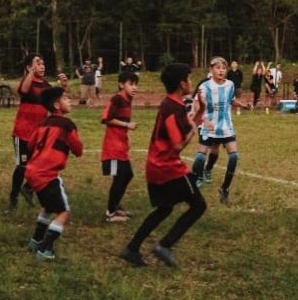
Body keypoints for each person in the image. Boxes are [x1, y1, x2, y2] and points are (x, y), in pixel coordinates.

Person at [119, 63, 206, 268]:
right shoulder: (172, 109)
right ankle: (164, 246)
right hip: (168, 167)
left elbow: (187, 123)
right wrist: (192, 133)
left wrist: (200, 109)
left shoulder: (172, 103)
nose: (191, 82)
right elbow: (177, 145)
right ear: (181, 83)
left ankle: (132, 248)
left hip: (156, 166)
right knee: (198, 206)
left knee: (164, 209)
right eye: (189, 78)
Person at [23, 87, 83, 260]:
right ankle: (45, 249)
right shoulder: (67, 125)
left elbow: (30, 145)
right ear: (57, 104)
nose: (70, 100)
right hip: (47, 174)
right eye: (66, 98)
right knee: (64, 212)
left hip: (32, 172)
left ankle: (35, 241)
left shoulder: (43, 124)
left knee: (48, 207)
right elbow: (78, 149)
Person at [8, 54, 68, 209]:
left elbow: (58, 101)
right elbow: (23, 90)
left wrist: (63, 85)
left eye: (43, 64)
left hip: (39, 133)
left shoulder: (45, 85)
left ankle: (28, 188)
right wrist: (30, 73)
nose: (42, 66)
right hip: (22, 132)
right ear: (29, 67)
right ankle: (13, 197)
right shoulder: (27, 82)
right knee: (22, 166)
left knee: (42, 165)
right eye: (38, 63)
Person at [191, 57, 250, 203]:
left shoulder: (230, 85)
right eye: (217, 68)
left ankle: (224, 188)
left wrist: (242, 105)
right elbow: (197, 104)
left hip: (225, 127)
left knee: (234, 157)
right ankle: (194, 179)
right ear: (211, 70)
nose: (221, 70)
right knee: (200, 156)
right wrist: (204, 120)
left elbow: (231, 100)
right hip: (208, 126)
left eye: (223, 68)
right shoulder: (204, 86)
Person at [100, 70, 139, 222]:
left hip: (122, 145)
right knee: (120, 177)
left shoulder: (128, 100)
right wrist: (126, 124)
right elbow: (105, 118)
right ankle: (111, 212)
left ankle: (115, 206)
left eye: (136, 84)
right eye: (131, 84)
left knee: (127, 175)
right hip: (113, 146)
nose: (134, 87)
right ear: (121, 85)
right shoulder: (116, 99)